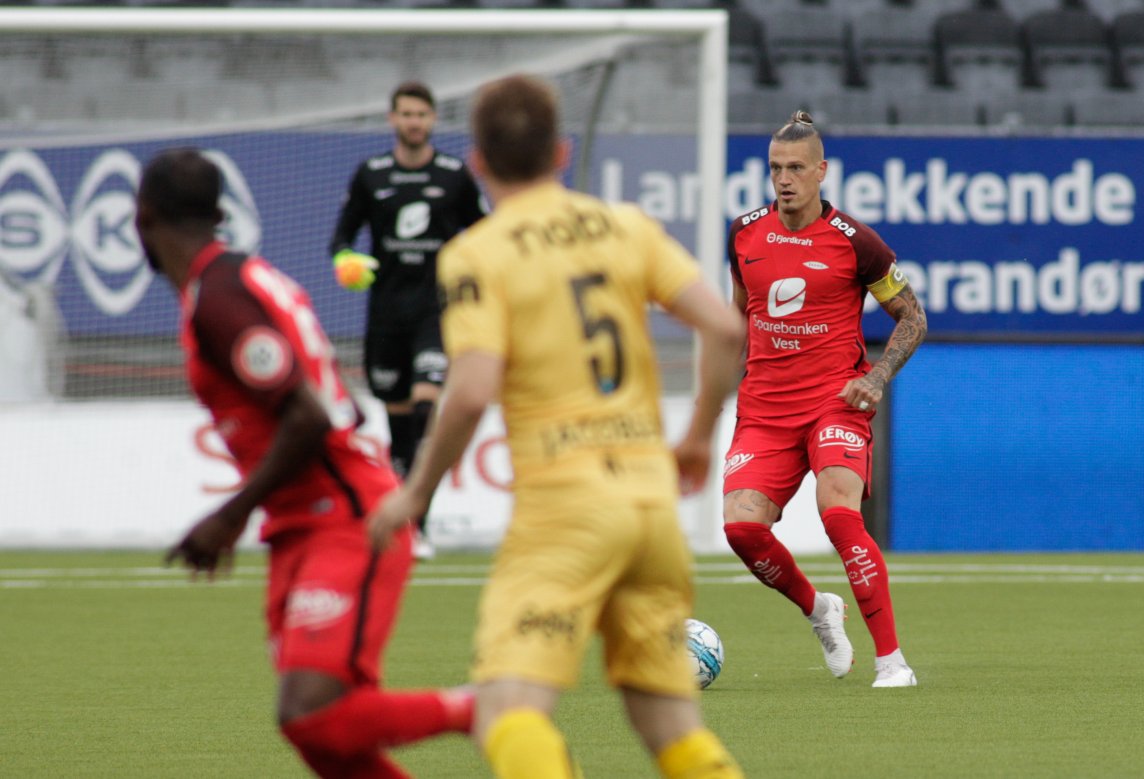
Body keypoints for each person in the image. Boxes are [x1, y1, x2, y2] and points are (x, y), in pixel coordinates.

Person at [368, 74, 746, 779]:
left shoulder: (477, 252)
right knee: (669, 726)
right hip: (650, 507)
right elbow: (725, 326)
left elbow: (473, 388)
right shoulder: (626, 226)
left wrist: (415, 493)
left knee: (506, 710)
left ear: (477, 162)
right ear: (563, 152)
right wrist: (697, 436)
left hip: (565, 512)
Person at [138, 148, 473, 779]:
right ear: (217, 213)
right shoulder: (237, 282)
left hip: (347, 515)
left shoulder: (221, 297)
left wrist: (228, 516)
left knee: (311, 714)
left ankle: (486, 710)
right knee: (324, 740)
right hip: (300, 522)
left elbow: (310, 416)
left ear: (141, 217)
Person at [722, 111, 928, 688]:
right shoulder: (742, 232)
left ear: (821, 172)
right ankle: (819, 610)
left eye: (795, 169)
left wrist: (878, 377)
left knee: (838, 512)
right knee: (741, 531)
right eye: (774, 169)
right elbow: (739, 314)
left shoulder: (856, 243)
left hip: (834, 400)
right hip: (763, 407)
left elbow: (913, 317)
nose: (783, 180)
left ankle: (892, 662)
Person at [330, 80, 487, 561]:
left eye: (422, 114)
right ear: (392, 119)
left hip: (437, 313)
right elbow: (341, 238)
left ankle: (418, 525)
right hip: (385, 316)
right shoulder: (371, 174)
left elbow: (484, 235)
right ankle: (406, 516)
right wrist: (346, 261)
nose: (414, 122)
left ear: (433, 120)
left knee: (425, 407)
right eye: (406, 114)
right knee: (399, 426)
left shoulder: (454, 175)